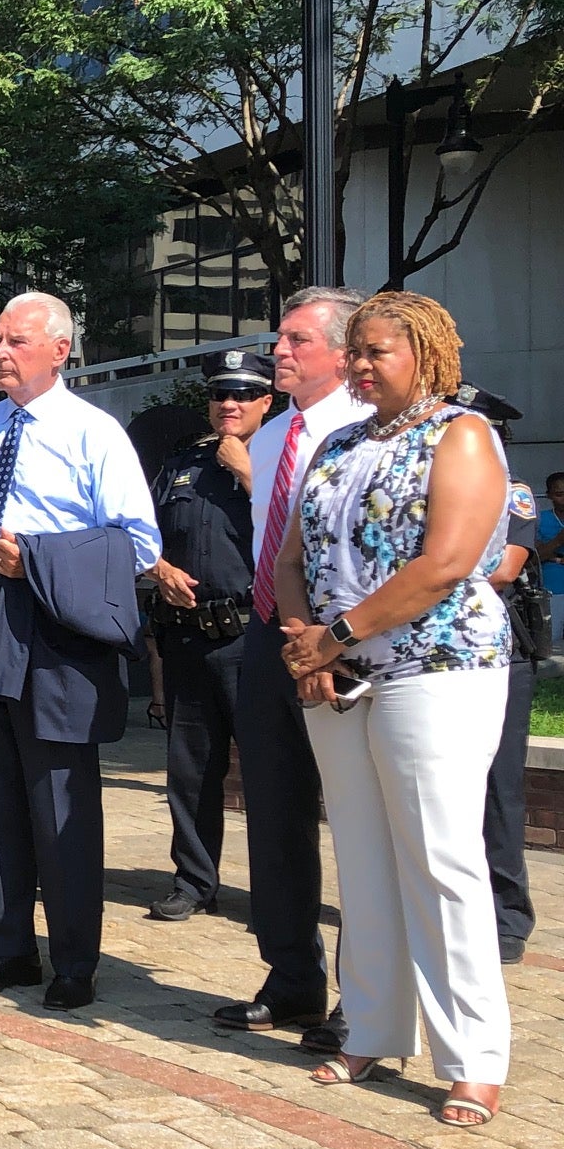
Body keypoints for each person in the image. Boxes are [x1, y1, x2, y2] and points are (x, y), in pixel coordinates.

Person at [277, 291, 514, 1129]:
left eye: (378, 351)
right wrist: (306, 641)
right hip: (337, 674)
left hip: (436, 667)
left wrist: (334, 635)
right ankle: (373, 1026)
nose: (361, 365)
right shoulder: (338, 444)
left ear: (428, 355)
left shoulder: (463, 435)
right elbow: (291, 556)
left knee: (440, 863)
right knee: (365, 860)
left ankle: (474, 1058)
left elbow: (446, 560)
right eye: (357, 353)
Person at [0, 292, 160, 1010]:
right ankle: (6, 949)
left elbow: (139, 544)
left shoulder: (94, 434)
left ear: (60, 349)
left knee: (58, 799)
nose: (1, 352)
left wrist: (37, 561)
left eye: (17, 340)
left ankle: (73, 961)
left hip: (55, 628)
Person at [214, 287, 369, 1045]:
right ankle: (293, 977)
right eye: (280, 338)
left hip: (341, 644)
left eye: (298, 340)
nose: (280, 351)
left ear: (345, 352)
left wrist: (321, 638)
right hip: (269, 636)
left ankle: (361, 995)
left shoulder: (366, 433)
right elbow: (269, 550)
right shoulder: (274, 438)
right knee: (273, 814)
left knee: (355, 821)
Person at [142, 350, 272, 923]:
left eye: (243, 395)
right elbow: (143, 529)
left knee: (272, 771)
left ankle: (277, 887)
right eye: (221, 394)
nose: (229, 404)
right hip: (189, 637)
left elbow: (294, 526)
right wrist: (158, 569)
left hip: (252, 637)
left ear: (268, 401)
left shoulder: (281, 459)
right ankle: (194, 881)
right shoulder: (181, 462)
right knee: (191, 770)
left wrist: (247, 469)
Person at [459, 387, 541, 964]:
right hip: (443, 652)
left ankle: (508, 914)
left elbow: (504, 569)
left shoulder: (514, 496)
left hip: (501, 653)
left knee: (498, 789)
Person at [539, 472, 564, 629]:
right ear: (549, 496)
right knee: (552, 641)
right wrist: (559, 540)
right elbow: (534, 558)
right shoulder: (541, 520)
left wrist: (554, 557)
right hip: (553, 590)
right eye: (560, 494)